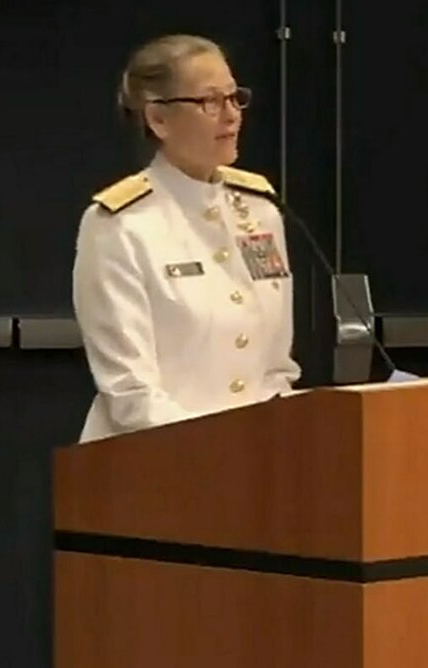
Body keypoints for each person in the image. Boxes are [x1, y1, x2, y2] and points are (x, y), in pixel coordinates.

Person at [72, 34, 301, 443]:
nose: (231, 116)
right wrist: (222, 447)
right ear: (158, 119)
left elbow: (275, 369)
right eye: (210, 102)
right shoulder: (119, 224)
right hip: (153, 464)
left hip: (259, 468)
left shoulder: (261, 210)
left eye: (235, 98)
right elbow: (130, 393)